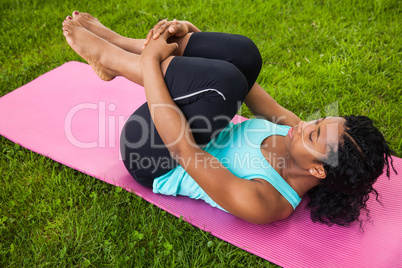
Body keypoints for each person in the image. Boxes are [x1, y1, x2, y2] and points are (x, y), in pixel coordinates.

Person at [62, 12, 396, 226]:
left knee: (225, 86)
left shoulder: (267, 201)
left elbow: (185, 151)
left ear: (318, 170)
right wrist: (195, 41)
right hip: (189, 123)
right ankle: (121, 44)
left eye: (313, 135)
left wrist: (152, 63)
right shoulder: (293, 130)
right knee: (246, 57)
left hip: (153, 153)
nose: (304, 125)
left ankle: (113, 59)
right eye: (318, 121)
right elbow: (244, 79)